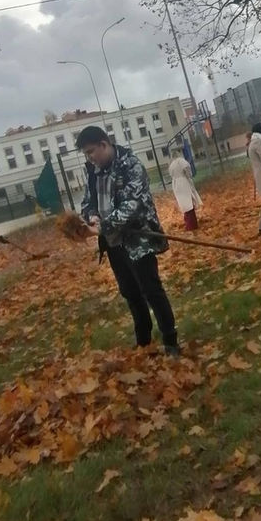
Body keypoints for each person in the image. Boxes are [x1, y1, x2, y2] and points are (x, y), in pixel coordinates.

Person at [76, 126, 180, 356]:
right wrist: (92, 216)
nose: (90, 157)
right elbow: (88, 202)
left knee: (151, 291)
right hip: (113, 243)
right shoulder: (93, 171)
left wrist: (101, 227)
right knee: (130, 293)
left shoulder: (131, 166)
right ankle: (143, 341)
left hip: (138, 239)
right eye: (86, 154)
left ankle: (170, 341)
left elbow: (132, 205)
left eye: (91, 151)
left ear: (104, 144)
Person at [168, 148, 202, 231]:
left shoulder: (172, 165)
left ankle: (188, 223)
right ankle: (192, 225)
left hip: (176, 184)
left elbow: (171, 175)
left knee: (184, 204)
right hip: (183, 183)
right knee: (189, 203)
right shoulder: (181, 161)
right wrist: (189, 177)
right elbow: (188, 172)